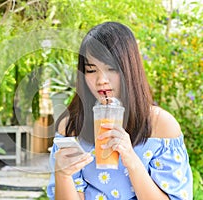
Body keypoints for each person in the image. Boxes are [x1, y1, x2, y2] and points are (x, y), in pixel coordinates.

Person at [47, 22, 193, 200]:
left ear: (129, 68)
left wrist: (130, 158)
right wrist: (63, 175)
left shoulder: (161, 125)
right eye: (91, 70)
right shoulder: (71, 127)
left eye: (111, 68)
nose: (101, 80)